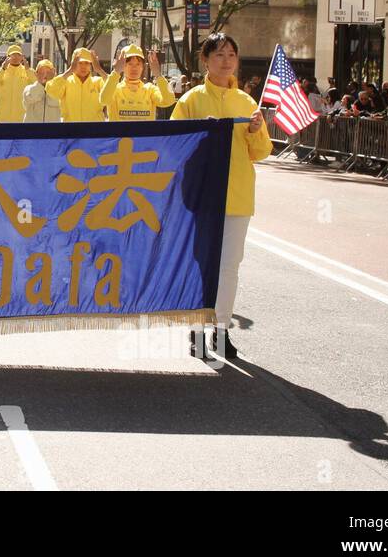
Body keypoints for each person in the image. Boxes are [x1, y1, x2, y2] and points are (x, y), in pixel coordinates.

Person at [170, 32, 272, 360]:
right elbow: (175, 146)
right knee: (202, 264)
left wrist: (256, 132)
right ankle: (197, 329)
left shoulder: (247, 102)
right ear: (205, 61)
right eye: (219, 55)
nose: (226, 61)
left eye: (231, 55)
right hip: (201, 196)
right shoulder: (191, 100)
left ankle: (222, 329)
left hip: (238, 194)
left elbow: (261, 152)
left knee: (229, 266)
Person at [99, 45, 175, 122]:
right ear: (122, 66)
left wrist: (158, 75)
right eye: (130, 64)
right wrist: (116, 72)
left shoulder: (150, 90)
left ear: (142, 67)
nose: (134, 68)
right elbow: (103, 100)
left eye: (138, 64)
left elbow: (169, 100)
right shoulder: (115, 89)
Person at [45, 48, 108, 122]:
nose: (83, 66)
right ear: (73, 64)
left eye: (87, 63)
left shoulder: (98, 81)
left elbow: (113, 90)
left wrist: (100, 70)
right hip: (71, 131)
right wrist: (69, 71)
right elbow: (50, 90)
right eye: (80, 63)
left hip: (94, 131)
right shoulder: (66, 82)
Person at [0, 45, 37, 124]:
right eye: (13, 55)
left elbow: (37, 84)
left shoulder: (27, 71)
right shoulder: (1, 71)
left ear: (22, 57)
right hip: (2, 117)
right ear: (8, 57)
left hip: (22, 117)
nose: (15, 57)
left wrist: (28, 70)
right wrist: (2, 69)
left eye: (18, 55)